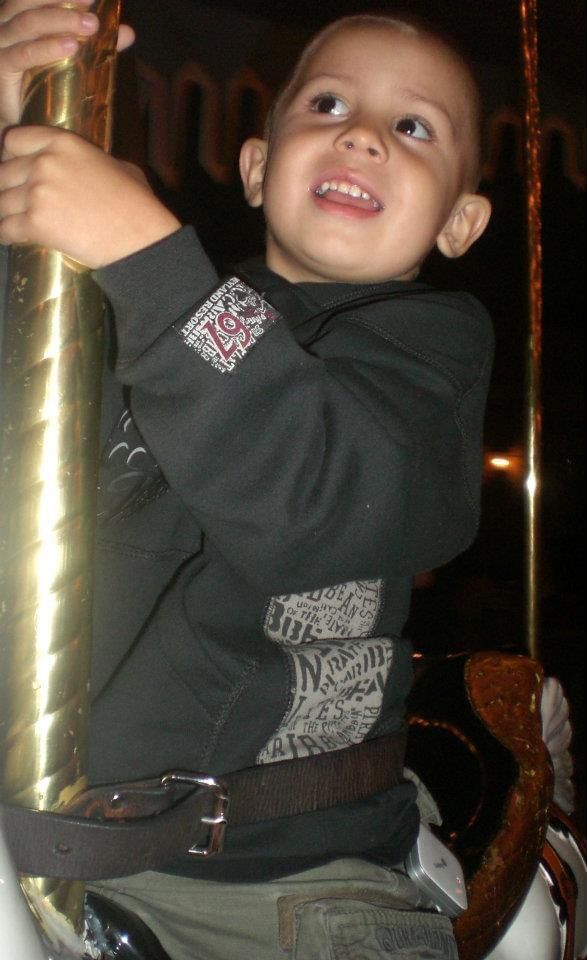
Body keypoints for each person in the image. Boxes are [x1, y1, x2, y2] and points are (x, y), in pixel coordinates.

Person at [0, 3, 493, 958]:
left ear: (461, 220)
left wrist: (146, 258)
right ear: (260, 167)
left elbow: (320, 493)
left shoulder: (427, 350)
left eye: (412, 127)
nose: (359, 133)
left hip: (273, 878)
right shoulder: (147, 319)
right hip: (55, 815)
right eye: (326, 102)